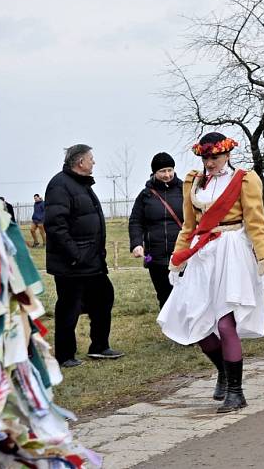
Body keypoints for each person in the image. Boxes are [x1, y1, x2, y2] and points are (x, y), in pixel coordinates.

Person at [159, 133, 264, 413]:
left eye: (215, 156)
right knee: (197, 323)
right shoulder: (194, 181)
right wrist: (178, 260)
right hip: (202, 254)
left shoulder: (245, 179)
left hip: (231, 252)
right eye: (205, 157)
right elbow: (189, 226)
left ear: (227, 154)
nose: (209, 162)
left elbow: (257, 224)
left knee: (225, 324)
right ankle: (223, 370)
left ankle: (236, 392)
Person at [44, 144, 124, 367]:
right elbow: (55, 225)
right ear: (80, 162)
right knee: (69, 307)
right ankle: (65, 356)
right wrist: (75, 254)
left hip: (92, 261)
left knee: (104, 297)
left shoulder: (81, 184)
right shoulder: (60, 185)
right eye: (91, 158)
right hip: (72, 263)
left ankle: (99, 346)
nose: (94, 162)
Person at [128, 152, 184, 309]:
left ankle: (187, 328)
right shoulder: (146, 195)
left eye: (169, 170)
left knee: (184, 292)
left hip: (181, 252)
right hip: (154, 256)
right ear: (154, 172)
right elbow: (135, 221)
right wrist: (136, 243)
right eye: (162, 171)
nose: (167, 175)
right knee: (164, 293)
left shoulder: (184, 190)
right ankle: (170, 328)